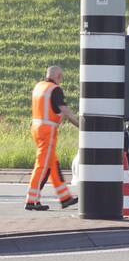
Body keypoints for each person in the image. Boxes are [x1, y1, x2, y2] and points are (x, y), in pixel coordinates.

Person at [26, 66, 79, 211]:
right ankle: (31, 200)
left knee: (53, 165)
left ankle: (65, 198)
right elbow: (66, 112)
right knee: (42, 166)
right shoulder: (55, 90)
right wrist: (80, 125)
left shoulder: (39, 86)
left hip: (37, 129)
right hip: (47, 132)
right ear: (58, 76)